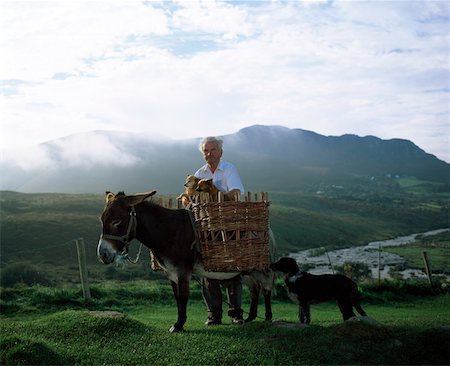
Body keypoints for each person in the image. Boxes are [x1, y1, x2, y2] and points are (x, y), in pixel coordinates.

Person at [195, 136, 245, 325]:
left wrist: (214, 192)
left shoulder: (229, 169)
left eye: (213, 150)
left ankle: (236, 314)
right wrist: (186, 197)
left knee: (232, 267)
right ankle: (214, 316)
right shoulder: (199, 173)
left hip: (229, 224)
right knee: (208, 269)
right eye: (206, 151)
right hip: (207, 227)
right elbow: (191, 196)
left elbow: (236, 193)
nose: (209, 154)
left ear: (221, 152)